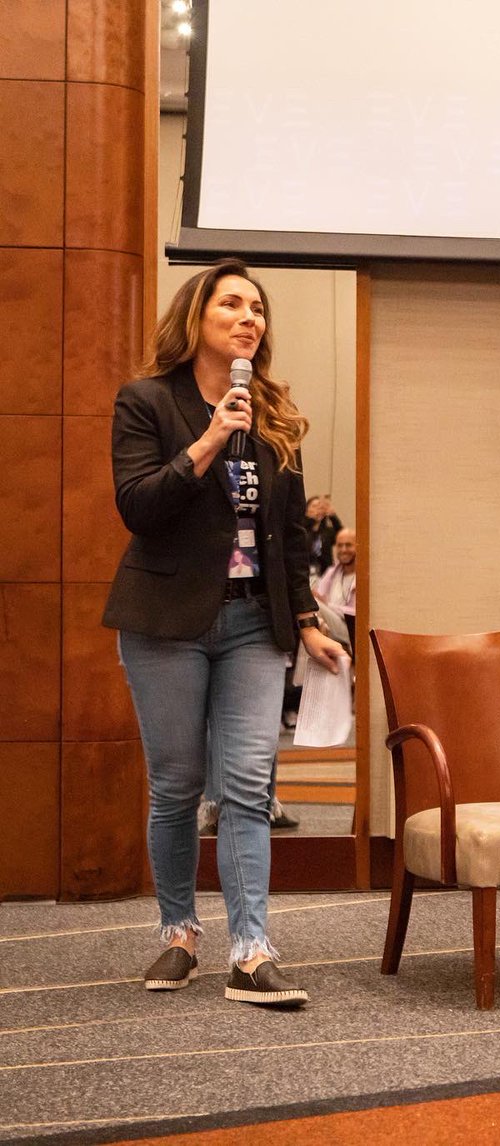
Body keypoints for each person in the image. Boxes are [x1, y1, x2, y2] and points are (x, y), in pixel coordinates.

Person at [103, 258, 345, 1007]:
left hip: (252, 625)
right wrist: (208, 441)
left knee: (245, 786)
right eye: (232, 303)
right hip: (167, 623)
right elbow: (139, 506)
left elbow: (292, 536)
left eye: (258, 308)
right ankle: (180, 932)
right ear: (198, 315)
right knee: (177, 787)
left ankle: (251, 947)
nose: (249, 317)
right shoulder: (146, 401)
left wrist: (305, 620)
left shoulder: (273, 413)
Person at [314, 527, 357, 656]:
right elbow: (318, 595)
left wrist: (328, 605)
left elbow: (356, 614)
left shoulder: (364, 577)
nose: (343, 550)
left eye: (348, 545)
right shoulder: (333, 571)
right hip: (329, 624)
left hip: (350, 630)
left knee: (314, 605)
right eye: (340, 545)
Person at [305, 494, 342, 576]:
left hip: (325, 575)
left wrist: (333, 517)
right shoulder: (301, 530)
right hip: (306, 574)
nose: (318, 509)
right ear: (306, 511)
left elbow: (342, 535)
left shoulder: (327, 531)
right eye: (314, 506)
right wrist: (311, 521)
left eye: (321, 507)